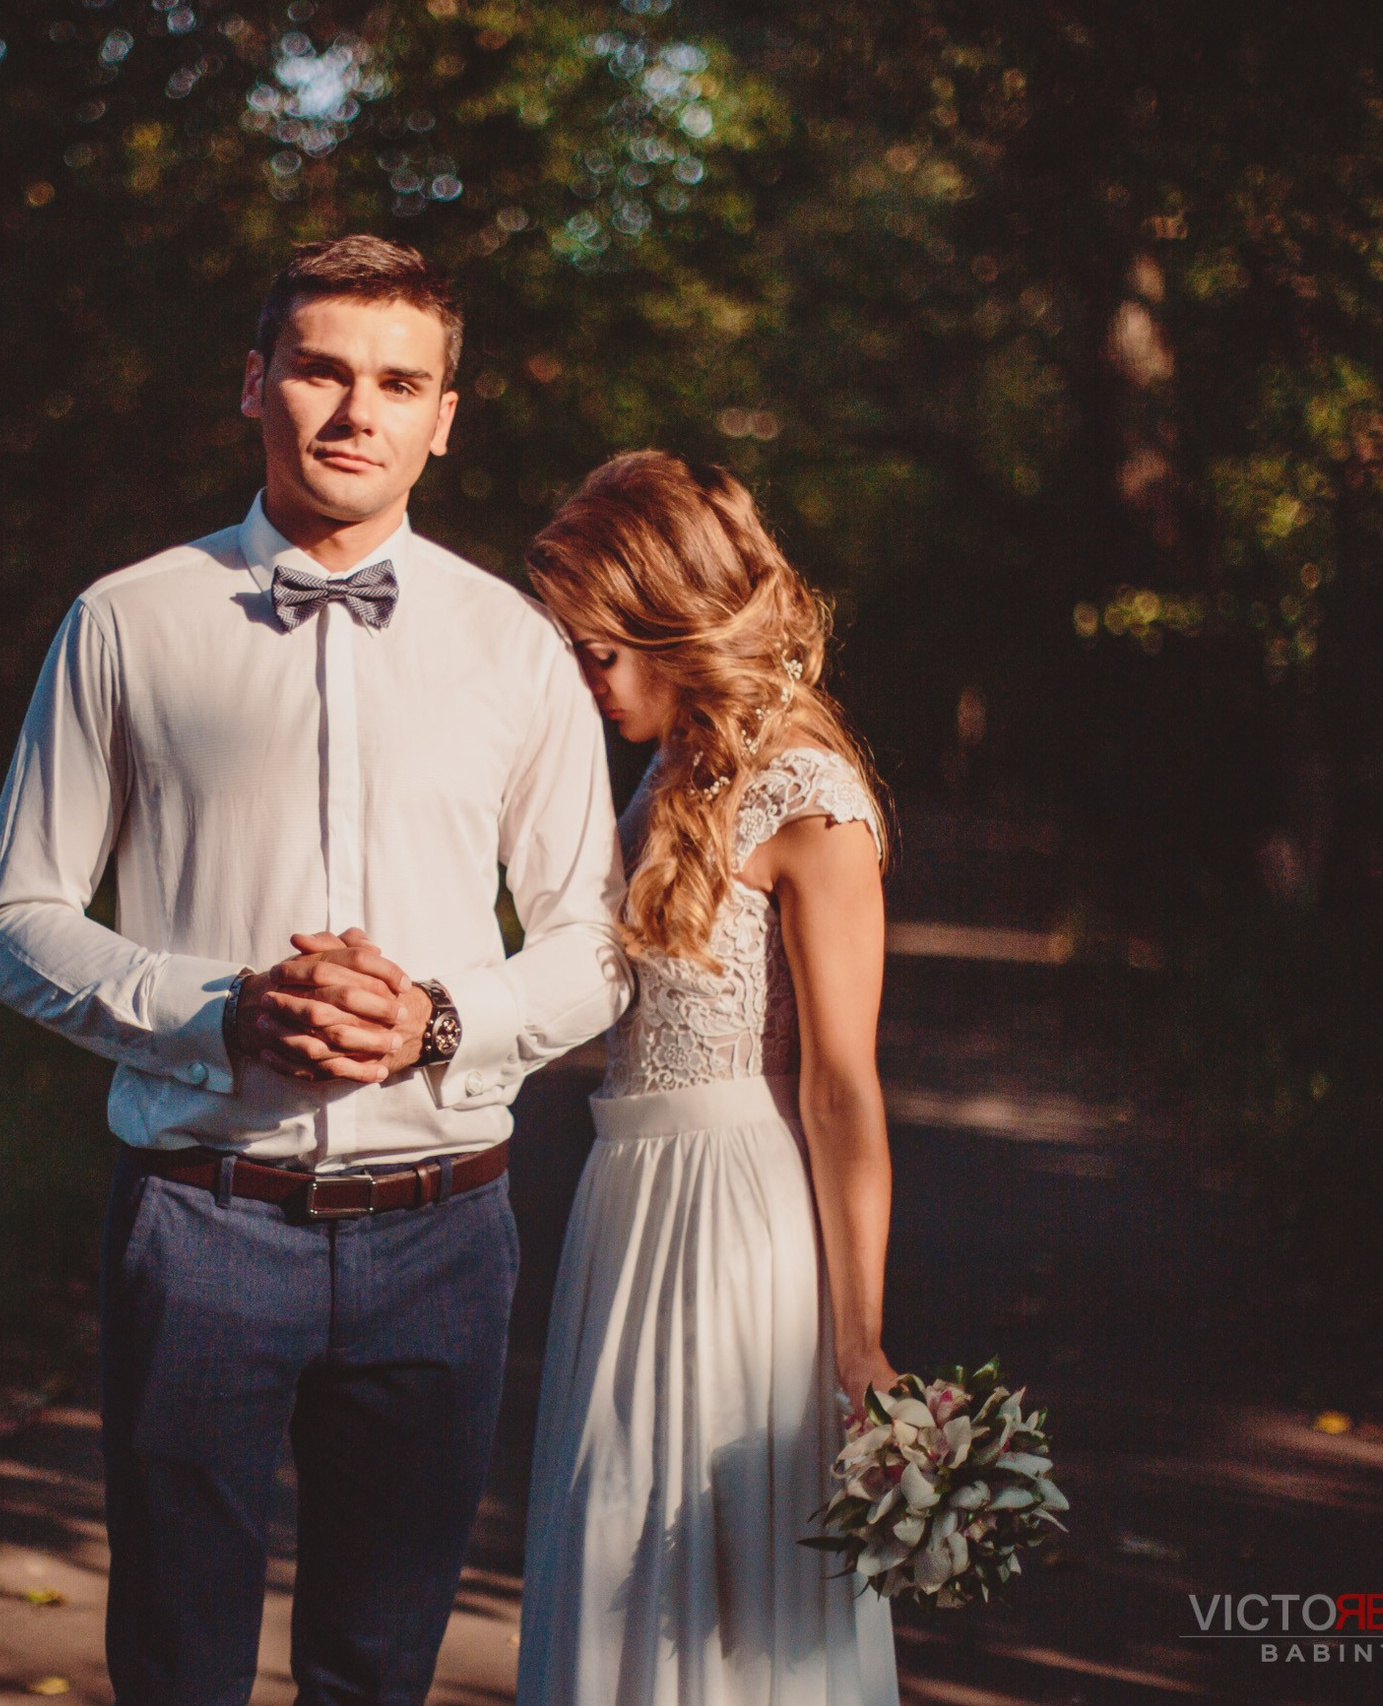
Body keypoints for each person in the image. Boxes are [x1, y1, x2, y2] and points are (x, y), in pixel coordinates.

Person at [0, 236, 633, 1706]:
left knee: (376, 1668)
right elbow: (12, 918)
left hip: (444, 1232)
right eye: (324, 369)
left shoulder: (516, 648)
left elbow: (597, 943)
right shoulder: (126, 620)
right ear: (255, 383)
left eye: (401, 382)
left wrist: (439, 1017)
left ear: (445, 415)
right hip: (201, 1222)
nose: (358, 411)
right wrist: (216, 1010)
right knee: (177, 1662)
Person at [516, 451, 902, 1706]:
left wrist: (859, 1344)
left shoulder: (810, 793)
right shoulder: (668, 764)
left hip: (733, 1223)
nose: (583, 679)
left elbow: (842, 1088)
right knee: (619, 1548)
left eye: (599, 650)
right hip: (624, 1202)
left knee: (719, 1580)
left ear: (674, 623)